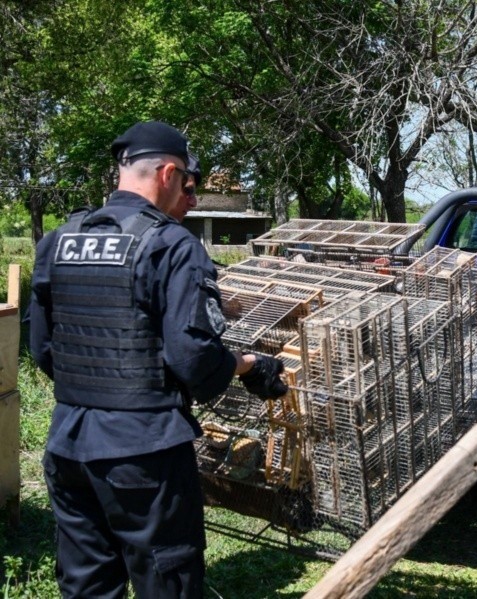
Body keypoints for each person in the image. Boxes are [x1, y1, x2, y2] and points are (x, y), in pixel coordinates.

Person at [28, 121, 287, 598]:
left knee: (86, 587)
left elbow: (43, 350)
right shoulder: (172, 245)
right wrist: (250, 365)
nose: (189, 193)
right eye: (187, 180)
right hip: (144, 456)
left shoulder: (58, 241)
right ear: (168, 172)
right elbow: (195, 360)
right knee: (168, 582)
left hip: (67, 444)